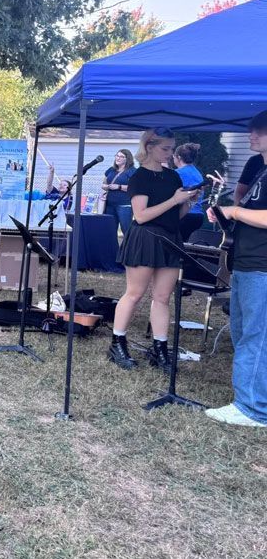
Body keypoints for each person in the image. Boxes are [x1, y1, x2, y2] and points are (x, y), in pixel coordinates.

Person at [108, 128, 200, 371]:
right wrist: (174, 200)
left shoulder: (173, 177)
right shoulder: (138, 177)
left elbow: (174, 216)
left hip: (170, 238)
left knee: (162, 297)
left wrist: (189, 202)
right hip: (145, 238)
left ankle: (159, 348)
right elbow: (141, 215)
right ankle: (117, 343)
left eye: (172, 149)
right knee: (134, 294)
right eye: (165, 148)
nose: (170, 153)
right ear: (149, 147)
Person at [204, 110, 267, 427]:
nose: (250, 135)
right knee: (244, 332)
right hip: (246, 260)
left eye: (258, 131)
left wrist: (235, 212)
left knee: (257, 336)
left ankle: (253, 409)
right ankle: (252, 398)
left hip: (262, 266)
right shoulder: (260, 168)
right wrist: (225, 214)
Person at [173, 142, 205, 242]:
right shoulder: (197, 173)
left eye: (174, 156)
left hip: (184, 215)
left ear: (178, 157)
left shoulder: (178, 173)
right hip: (198, 216)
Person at [101, 148, 136, 234]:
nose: (118, 158)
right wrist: (108, 186)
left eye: (121, 156)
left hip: (124, 205)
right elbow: (103, 184)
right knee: (109, 231)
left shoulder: (132, 171)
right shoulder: (111, 170)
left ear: (127, 159)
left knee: (126, 230)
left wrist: (119, 187)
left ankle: (128, 243)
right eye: (117, 156)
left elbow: (135, 187)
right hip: (109, 205)